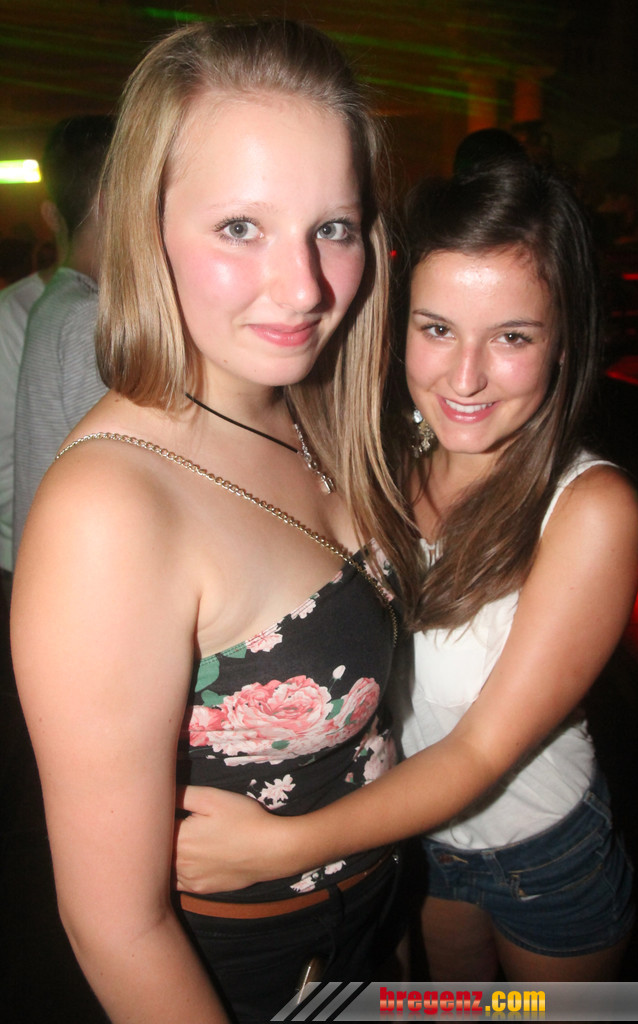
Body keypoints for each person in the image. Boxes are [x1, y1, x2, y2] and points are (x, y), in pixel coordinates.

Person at [11, 20, 417, 1024]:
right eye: (240, 226)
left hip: (376, 919)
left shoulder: (304, 402)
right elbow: (118, 928)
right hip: (254, 975)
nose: (305, 287)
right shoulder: (112, 512)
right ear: (143, 227)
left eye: (333, 227)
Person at [172, 160, 638, 982]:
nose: (464, 377)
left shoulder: (588, 508)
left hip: (543, 860)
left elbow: (480, 752)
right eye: (436, 329)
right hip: (417, 848)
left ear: (563, 341)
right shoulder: (384, 459)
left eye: (512, 337)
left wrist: (278, 848)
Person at [12, 115, 113, 560]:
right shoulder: (86, 317)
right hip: (81, 568)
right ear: (112, 202)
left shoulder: (58, 300)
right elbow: (118, 474)